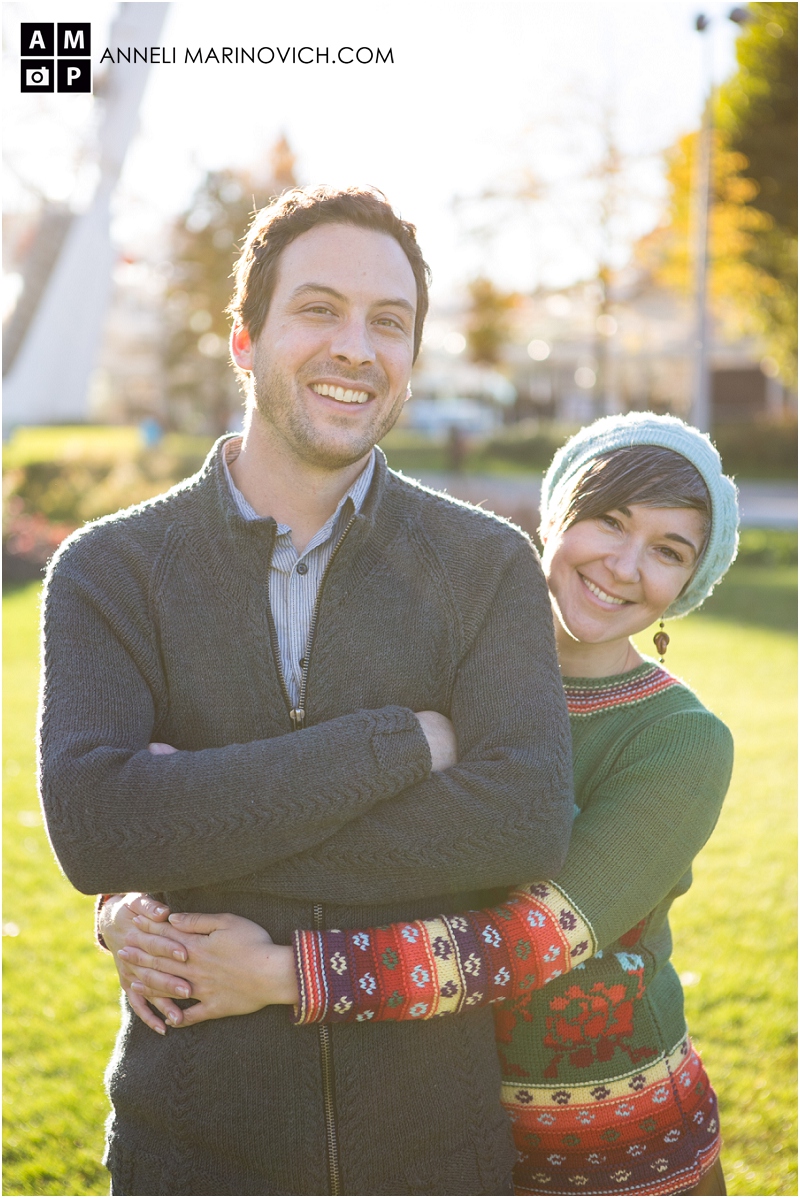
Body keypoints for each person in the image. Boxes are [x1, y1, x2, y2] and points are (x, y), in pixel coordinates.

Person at [38, 185, 575, 1196]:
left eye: (389, 322)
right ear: (244, 341)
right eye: (318, 309)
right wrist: (402, 748)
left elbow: (523, 821)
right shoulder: (110, 570)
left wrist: (198, 826)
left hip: (436, 1158)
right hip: (189, 1155)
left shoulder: (487, 566)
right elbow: (99, 832)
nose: (355, 348)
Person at [104, 412, 739, 1197]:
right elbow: (287, 803)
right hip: (422, 1132)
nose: (624, 563)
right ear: (557, 514)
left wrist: (279, 974)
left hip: (607, 1151)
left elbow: (532, 941)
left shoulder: (680, 742)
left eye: (669, 552)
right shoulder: (434, 674)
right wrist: (131, 899)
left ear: (689, 585)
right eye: (610, 519)